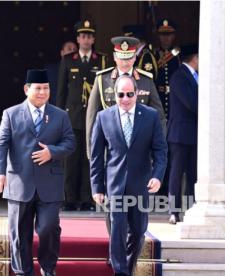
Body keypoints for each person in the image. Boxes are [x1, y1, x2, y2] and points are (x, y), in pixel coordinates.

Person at [0, 69, 75, 276]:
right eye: (38, 88)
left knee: (49, 228)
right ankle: (23, 271)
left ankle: (48, 269)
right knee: (19, 233)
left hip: (50, 183)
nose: (42, 92)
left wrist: (52, 152)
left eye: (46, 88)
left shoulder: (60, 115)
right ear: (26, 89)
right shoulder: (10, 114)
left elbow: (70, 143)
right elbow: (1, 145)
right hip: (19, 183)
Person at [90, 75, 167, 276]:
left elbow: (160, 150)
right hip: (114, 185)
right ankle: (120, 272)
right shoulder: (103, 117)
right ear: (114, 94)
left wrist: (157, 176)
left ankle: (128, 266)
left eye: (130, 94)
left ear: (137, 94)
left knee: (138, 230)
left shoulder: (150, 116)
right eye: (121, 94)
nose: (125, 99)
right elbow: (97, 157)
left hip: (141, 184)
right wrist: (97, 187)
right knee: (117, 229)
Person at [86, 36, 166, 159]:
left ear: (135, 57)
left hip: (141, 151)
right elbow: (92, 118)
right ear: (114, 57)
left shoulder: (146, 80)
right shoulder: (102, 79)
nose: (125, 62)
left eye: (128, 57)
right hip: (111, 151)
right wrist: (92, 152)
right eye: (121, 58)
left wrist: (158, 149)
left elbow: (159, 117)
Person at [57, 20, 106, 212]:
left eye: (89, 36)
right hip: (72, 117)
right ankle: (70, 198)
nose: (85, 39)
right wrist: (58, 117)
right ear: (78, 39)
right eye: (82, 36)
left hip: (93, 117)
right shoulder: (68, 60)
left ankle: (87, 198)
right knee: (71, 160)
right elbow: (61, 91)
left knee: (90, 159)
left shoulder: (100, 60)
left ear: (93, 39)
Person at [166, 44, 199, 224]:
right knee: (177, 173)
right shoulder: (179, 76)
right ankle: (174, 211)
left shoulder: (196, 76)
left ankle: (190, 207)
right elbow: (191, 103)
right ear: (195, 58)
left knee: (193, 173)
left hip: (194, 132)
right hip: (180, 133)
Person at [154, 18, 181, 120]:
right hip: (158, 96)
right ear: (158, 36)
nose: (165, 38)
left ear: (173, 36)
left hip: (174, 97)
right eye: (162, 35)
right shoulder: (153, 55)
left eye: (168, 35)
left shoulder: (178, 55)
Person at [45, 41, 77, 105]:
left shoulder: (82, 70)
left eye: (75, 50)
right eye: (69, 49)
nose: (73, 52)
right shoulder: (50, 70)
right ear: (62, 53)